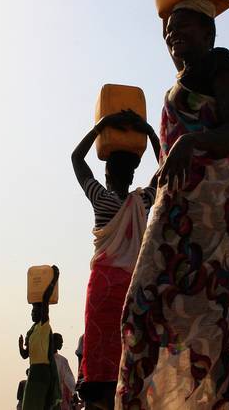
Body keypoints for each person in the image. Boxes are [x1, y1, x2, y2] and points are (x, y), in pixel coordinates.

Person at [115, 0, 229, 408]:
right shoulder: (172, 90)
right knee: (142, 310)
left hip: (211, 220)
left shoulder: (220, 63)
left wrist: (189, 142)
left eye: (183, 27)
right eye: (168, 31)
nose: (173, 36)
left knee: (212, 325)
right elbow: (170, 156)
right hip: (175, 215)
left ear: (209, 32)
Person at [72, 109, 159, 409]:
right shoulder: (143, 203)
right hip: (133, 291)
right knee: (129, 359)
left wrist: (100, 127)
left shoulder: (101, 199)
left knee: (100, 363)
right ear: (133, 174)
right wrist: (149, 132)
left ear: (107, 173)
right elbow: (168, 170)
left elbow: (77, 160)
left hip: (103, 289)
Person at [19, 265, 62, 409]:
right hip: (33, 371)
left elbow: (44, 300)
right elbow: (25, 355)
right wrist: (20, 346)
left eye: (34, 310)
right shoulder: (32, 331)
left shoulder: (43, 326)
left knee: (36, 405)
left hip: (43, 371)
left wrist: (54, 278)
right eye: (32, 310)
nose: (32, 313)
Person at [52, 334, 77, 410]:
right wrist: (74, 392)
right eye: (60, 342)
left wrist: (74, 392)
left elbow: (69, 379)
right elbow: (69, 378)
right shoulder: (48, 359)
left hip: (57, 396)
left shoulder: (62, 360)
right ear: (54, 342)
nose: (62, 344)